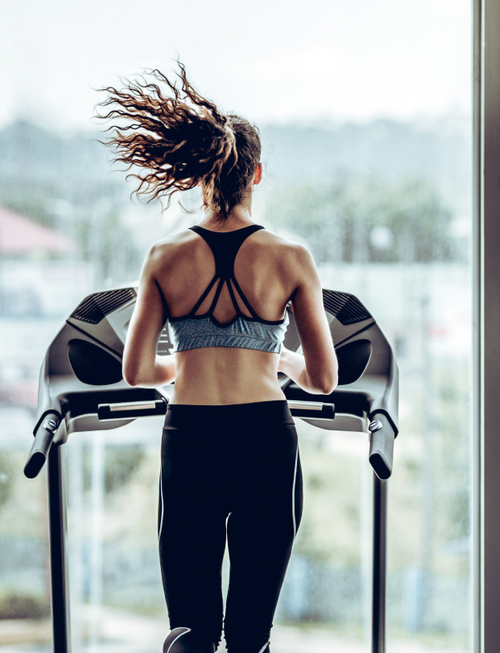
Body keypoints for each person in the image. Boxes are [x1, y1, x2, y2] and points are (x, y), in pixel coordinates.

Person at [98, 63, 338, 653]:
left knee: (192, 631)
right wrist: (274, 360)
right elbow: (324, 378)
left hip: (192, 434)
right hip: (263, 434)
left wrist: (189, 361)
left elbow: (135, 372)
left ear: (197, 174)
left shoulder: (165, 254)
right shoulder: (290, 256)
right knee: (251, 632)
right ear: (256, 172)